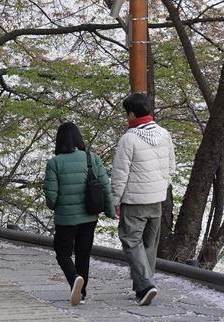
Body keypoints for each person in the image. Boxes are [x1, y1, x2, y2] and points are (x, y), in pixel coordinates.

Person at [108, 93, 176, 306]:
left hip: (134, 201)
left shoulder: (129, 138)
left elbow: (120, 174)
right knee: (149, 243)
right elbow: (171, 167)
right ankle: (142, 287)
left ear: (131, 113)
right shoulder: (164, 134)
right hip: (157, 199)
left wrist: (115, 200)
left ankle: (146, 285)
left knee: (130, 241)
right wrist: (160, 188)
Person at [43, 122, 117, 306]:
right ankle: (81, 292)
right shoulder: (91, 158)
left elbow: (51, 197)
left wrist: (54, 205)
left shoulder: (54, 163)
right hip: (89, 216)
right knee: (83, 253)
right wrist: (110, 211)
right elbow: (105, 187)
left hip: (66, 217)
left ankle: (74, 278)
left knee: (62, 253)